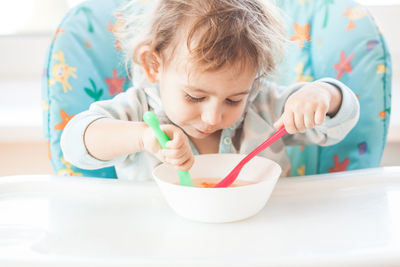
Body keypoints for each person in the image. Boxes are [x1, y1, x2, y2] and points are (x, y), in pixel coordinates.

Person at [61, 0, 359, 180]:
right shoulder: (137, 111)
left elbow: (335, 126)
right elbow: (74, 143)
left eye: (233, 99)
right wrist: (142, 137)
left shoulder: (265, 108)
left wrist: (323, 96)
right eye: (195, 96)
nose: (213, 116)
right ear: (154, 64)